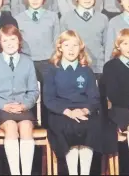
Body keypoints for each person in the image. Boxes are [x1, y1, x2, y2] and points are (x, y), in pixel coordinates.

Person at [0, 24, 39, 175]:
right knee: (12, 127)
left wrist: (25, 105)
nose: (9, 44)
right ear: (0, 42)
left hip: (23, 109)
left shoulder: (27, 62)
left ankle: (26, 172)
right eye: (5, 40)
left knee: (26, 127)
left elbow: (34, 91)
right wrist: (3, 105)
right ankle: (15, 172)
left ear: (19, 41)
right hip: (1, 110)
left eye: (13, 39)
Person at [43, 30, 102, 175]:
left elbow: (94, 98)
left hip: (83, 112)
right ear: (60, 47)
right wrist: (68, 112)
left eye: (75, 45)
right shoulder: (52, 70)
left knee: (91, 126)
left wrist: (84, 111)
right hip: (61, 113)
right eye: (67, 45)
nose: (71, 49)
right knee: (69, 128)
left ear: (81, 48)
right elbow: (49, 99)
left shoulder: (86, 71)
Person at [102, 28, 129, 175]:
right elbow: (113, 94)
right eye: (126, 44)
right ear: (118, 46)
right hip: (121, 108)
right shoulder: (111, 66)